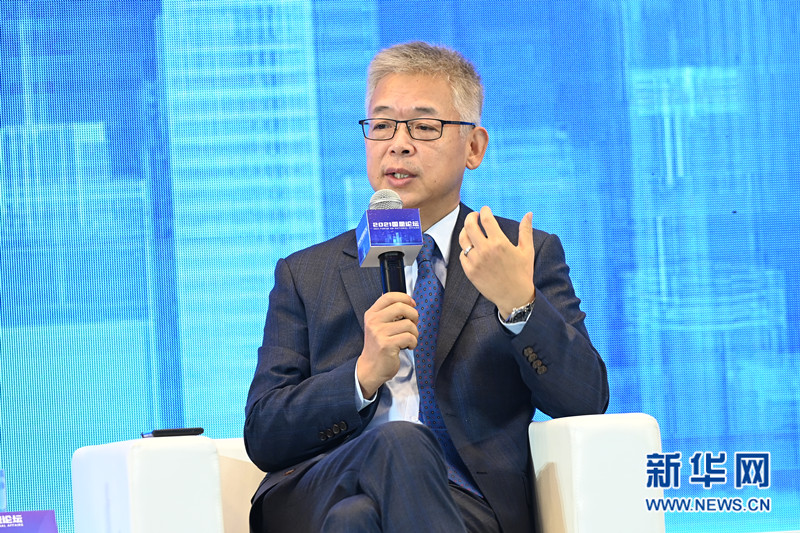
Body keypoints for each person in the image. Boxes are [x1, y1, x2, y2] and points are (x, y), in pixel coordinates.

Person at [244, 41, 609, 533]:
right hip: (324, 486)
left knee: (357, 520)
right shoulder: (306, 273)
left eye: (423, 126)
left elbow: (585, 400)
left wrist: (519, 305)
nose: (398, 144)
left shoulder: (521, 255)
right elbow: (264, 434)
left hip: (462, 504)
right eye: (382, 125)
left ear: (474, 147)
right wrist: (360, 377)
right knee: (397, 444)